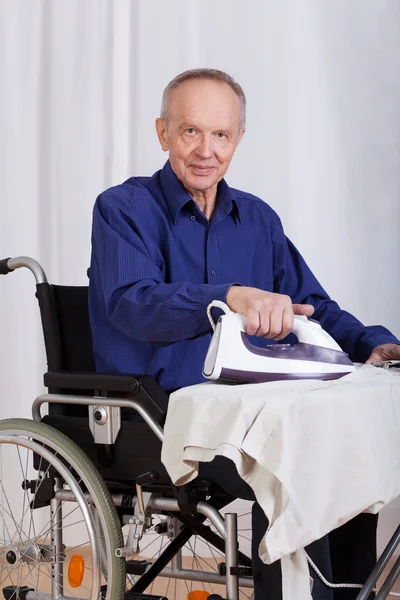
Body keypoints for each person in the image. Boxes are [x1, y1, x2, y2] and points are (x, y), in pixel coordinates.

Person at [89, 68, 400, 600]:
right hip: (160, 415)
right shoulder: (124, 209)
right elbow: (131, 303)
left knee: (341, 446)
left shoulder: (258, 220)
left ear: (238, 140)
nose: (206, 150)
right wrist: (228, 296)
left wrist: (370, 342)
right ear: (163, 133)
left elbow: (313, 304)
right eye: (191, 131)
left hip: (256, 402)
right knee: (300, 461)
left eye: (221, 134)